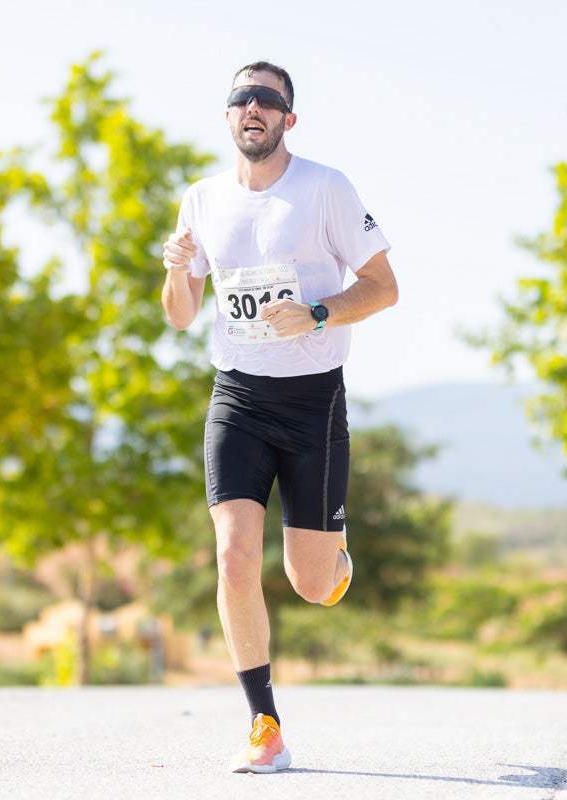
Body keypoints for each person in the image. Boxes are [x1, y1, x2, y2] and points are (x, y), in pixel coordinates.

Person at [161, 60, 398, 774]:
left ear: (288, 119)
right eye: (241, 98)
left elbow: (384, 287)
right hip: (236, 396)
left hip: (312, 399)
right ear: (228, 117)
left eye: (268, 99)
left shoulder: (325, 189)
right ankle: (264, 722)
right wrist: (177, 269)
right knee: (232, 555)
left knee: (310, 583)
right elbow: (180, 317)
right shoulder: (201, 199)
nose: (253, 107)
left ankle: (332, 556)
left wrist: (319, 312)